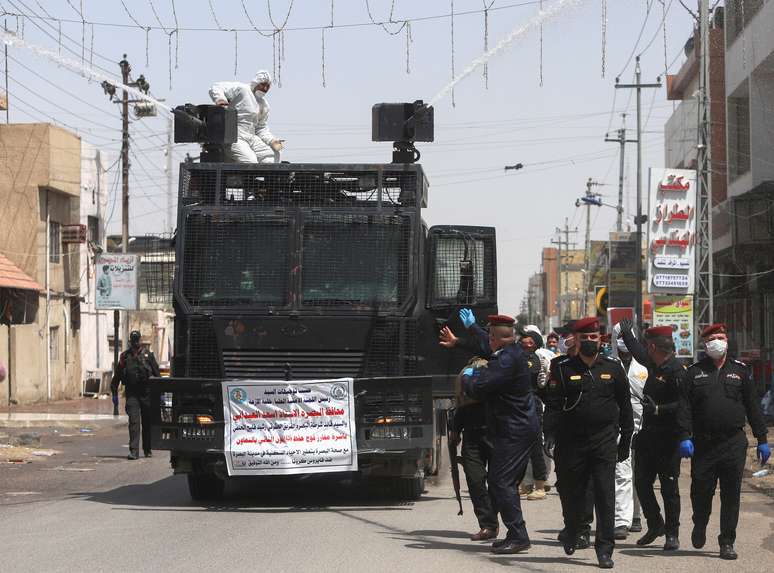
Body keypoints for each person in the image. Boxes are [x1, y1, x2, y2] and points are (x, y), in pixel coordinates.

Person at [543, 317, 634, 569]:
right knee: (572, 492)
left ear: (600, 339)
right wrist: (548, 434)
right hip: (570, 443)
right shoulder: (562, 368)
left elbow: (625, 408)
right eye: (585, 338)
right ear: (577, 339)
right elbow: (552, 406)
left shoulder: (613, 368)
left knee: (605, 495)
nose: (590, 341)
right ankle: (572, 529)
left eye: (594, 337)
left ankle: (604, 549)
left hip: (603, 442)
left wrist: (625, 440)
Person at [678, 323, 770, 560]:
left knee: (731, 495)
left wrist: (762, 439)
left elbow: (753, 407)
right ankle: (699, 523)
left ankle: (727, 541)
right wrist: (684, 436)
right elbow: (685, 408)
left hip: (733, 443)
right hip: (703, 444)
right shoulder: (694, 372)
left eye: (721, 337)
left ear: (727, 341)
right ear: (705, 343)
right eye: (712, 338)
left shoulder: (740, 371)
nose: (717, 341)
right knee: (701, 492)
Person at [461, 312, 540, 554]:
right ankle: (514, 533)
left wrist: (467, 379)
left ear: (497, 338)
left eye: (490, 334)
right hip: (517, 426)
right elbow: (487, 342)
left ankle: (518, 535)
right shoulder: (511, 351)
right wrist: (473, 328)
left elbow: (480, 388)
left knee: (500, 481)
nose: (488, 339)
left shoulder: (505, 360)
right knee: (503, 481)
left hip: (514, 429)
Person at [618, 320, 684, 550]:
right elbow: (637, 352)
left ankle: (672, 533)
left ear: (654, 348)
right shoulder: (654, 364)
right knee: (642, 484)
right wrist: (627, 334)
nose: (645, 350)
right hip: (648, 436)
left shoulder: (677, 372)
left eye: (648, 346)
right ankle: (655, 523)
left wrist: (658, 409)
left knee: (669, 488)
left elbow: (685, 406)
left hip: (668, 439)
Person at [440, 315, 499, 542]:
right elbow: (461, 405)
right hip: (472, 433)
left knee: (497, 482)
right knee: (475, 480)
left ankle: (492, 520)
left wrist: (471, 329)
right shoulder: (468, 371)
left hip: (497, 433)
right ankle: (487, 524)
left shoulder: (504, 365)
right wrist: (455, 430)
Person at [611, 323, 648, 540]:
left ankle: (636, 515)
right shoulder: (608, 365)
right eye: (619, 336)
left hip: (642, 429)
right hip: (618, 429)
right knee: (622, 475)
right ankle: (621, 521)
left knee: (638, 475)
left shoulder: (644, 367)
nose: (623, 341)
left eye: (627, 336)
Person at [209, 70, 284, 163]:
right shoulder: (242, 89)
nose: (265, 88)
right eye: (263, 84)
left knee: (273, 155)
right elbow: (217, 87)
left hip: (251, 137)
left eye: (268, 86)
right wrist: (220, 99)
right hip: (235, 136)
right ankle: (247, 177)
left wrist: (272, 141)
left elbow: (261, 128)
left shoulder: (264, 105)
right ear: (256, 82)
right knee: (250, 161)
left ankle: (267, 177)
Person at [111, 330, 161, 460]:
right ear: (130, 342)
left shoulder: (148, 355)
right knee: (134, 422)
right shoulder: (124, 357)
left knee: (147, 422)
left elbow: (157, 375)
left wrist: (159, 395)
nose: (135, 343)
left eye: (137, 340)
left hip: (146, 393)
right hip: (132, 393)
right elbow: (117, 376)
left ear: (140, 340)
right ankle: (134, 451)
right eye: (133, 340)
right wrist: (114, 395)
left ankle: (147, 448)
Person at [518, 327, 552, 501]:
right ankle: (524, 483)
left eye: (530, 341)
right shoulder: (514, 357)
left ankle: (539, 485)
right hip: (515, 405)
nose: (526, 344)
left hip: (532, 405)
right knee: (516, 447)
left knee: (535, 447)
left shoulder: (538, 360)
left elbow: (542, 387)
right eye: (523, 341)